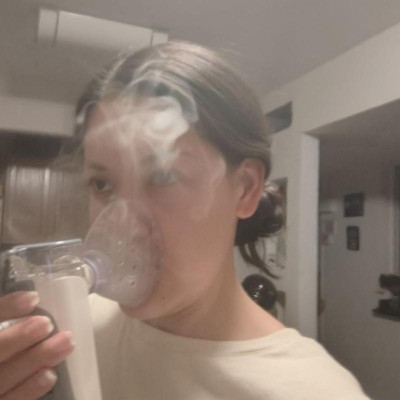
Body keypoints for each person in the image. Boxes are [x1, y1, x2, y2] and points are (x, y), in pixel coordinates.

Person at [0, 41, 370, 399]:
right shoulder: (64, 336)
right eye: (102, 184)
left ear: (245, 188)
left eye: (163, 177)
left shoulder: (312, 391)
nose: (123, 228)